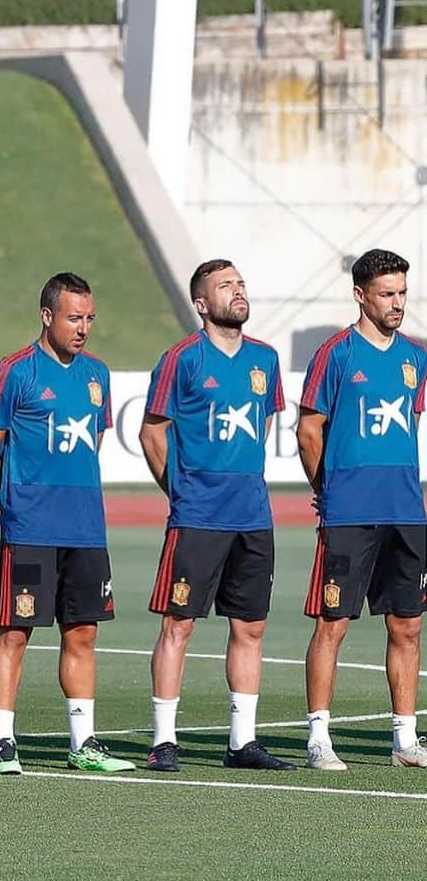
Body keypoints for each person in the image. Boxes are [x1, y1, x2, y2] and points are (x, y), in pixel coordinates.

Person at [0, 272, 134, 775]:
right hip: (30, 531)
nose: (82, 327)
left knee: (82, 634)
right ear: (47, 316)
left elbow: (94, 443)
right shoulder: (14, 372)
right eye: (73, 317)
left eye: (88, 318)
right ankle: (2, 741)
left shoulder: (97, 374)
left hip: (86, 529)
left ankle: (83, 742)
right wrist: (16, 502)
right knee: (15, 632)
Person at [139, 259, 293, 773]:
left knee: (250, 628)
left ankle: (241, 742)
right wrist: (180, 490)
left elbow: (266, 420)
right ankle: (164, 740)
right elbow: (152, 432)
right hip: (198, 516)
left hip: (252, 514)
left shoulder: (265, 360)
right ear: (202, 304)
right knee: (179, 625)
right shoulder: (181, 359)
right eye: (225, 285)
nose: (239, 290)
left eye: (241, 282)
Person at [298, 249, 427, 771]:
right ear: (360, 294)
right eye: (387, 294)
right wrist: (327, 488)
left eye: (402, 293)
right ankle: (318, 738)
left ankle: (404, 739)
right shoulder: (336, 353)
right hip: (349, 513)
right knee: (334, 623)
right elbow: (309, 430)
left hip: (407, 512)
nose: (397, 304)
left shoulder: (415, 358)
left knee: (408, 626)